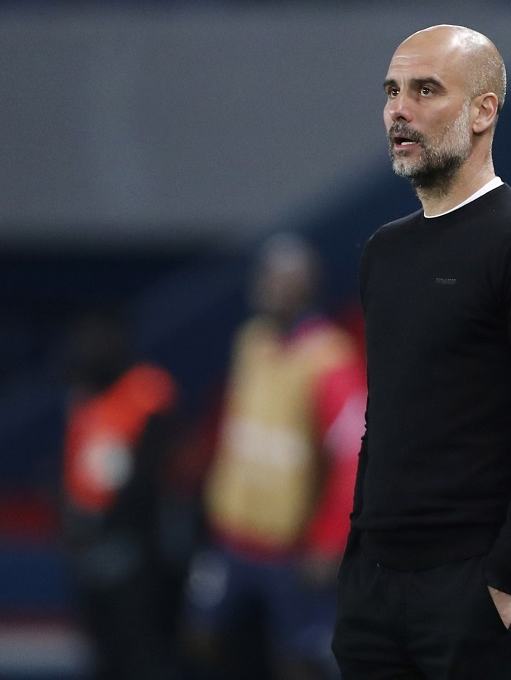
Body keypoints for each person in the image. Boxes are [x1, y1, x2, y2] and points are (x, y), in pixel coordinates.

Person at [331, 25, 511, 680]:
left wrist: (504, 574)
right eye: (392, 91)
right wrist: (358, 560)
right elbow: (383, 421)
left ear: (483, 110)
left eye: (425, 90)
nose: (399, 109)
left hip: (477, 587)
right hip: (376, 588)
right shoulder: (383, 252)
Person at [184, 234, 366, 680]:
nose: (268, 285)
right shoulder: (252, 341)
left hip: (291, 547)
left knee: (299, 660)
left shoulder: (330, 359)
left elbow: (355, 455)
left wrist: (329, 539)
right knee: (203, 641)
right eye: (266, 274)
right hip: (230, 535)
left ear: (305, 285)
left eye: (281, 277)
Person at [61, 311, 179, 680]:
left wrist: (111, 521)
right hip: (88, 548)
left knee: (140, 652)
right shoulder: (85, 396)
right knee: (102, 652)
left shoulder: (147, 391)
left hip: (136, 549)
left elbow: (152, 474)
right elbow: (76, 465)